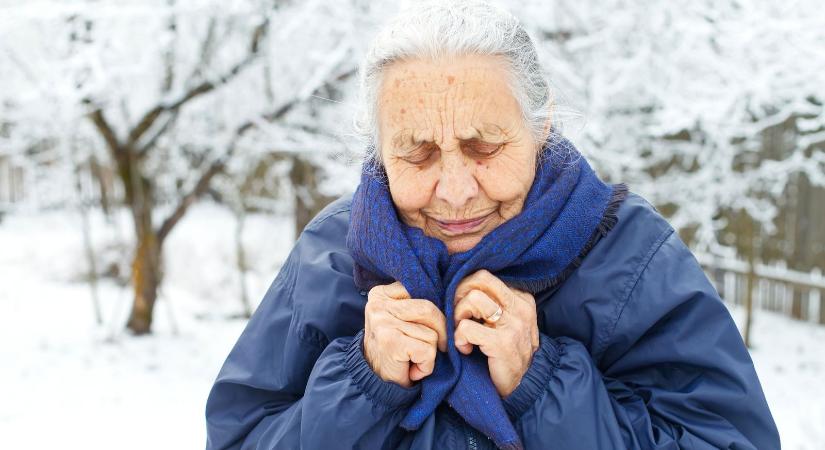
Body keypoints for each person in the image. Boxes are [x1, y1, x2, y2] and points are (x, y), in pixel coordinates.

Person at [205, 1, 779, 449]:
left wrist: (545, 383)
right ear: (378, 150)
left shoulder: (630, 259)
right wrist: (361, 387)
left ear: (541, 124)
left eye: (484, 147)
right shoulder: (330, 256)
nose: (455, 191)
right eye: (417, 153)